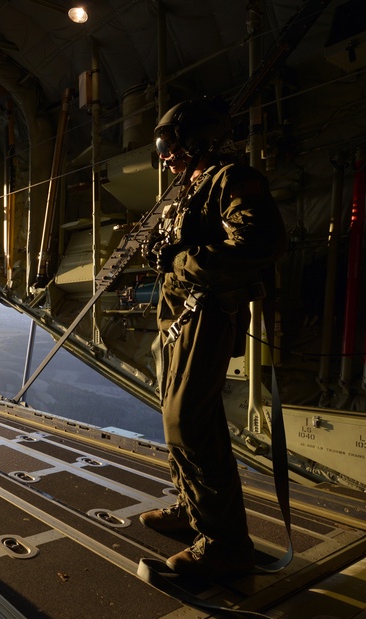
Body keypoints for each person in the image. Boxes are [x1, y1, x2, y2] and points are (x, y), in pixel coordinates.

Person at [139, 99, 287, 579]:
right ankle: (193, 511)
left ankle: (224, 545)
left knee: (187, 421)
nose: (164, 155)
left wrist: (179, 262)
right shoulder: (191, 190)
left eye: (168, 144)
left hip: (206, 311)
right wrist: (160, 251)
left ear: (195, 139)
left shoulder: (230, 179)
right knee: (180, 419)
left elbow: (257, 241)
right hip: (179, 314)